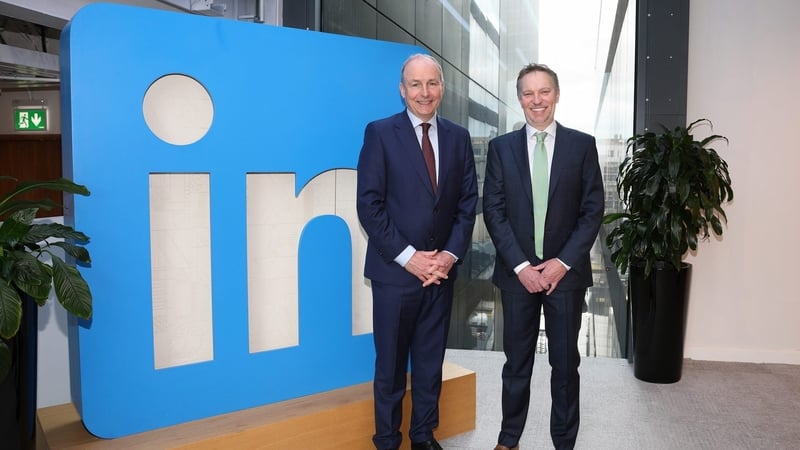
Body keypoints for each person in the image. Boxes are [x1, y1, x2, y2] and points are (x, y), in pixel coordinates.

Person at [356, 53, 478, 450]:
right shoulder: (380, 133)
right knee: (390, 368)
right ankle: (387, 440)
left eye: (432, 83)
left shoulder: (458, 137)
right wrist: (411, 257)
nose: (424, 92)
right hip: (396, 275)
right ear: (402, 89)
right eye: (415, 84)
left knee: (429, 365)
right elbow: (369, 206)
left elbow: (466, 204)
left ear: (442, 87)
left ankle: (423, 436)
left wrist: (448, 256)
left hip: (440, 274)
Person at [483, 63, 604, 450]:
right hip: (517, 276)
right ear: (519, 98)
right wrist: (522, 266)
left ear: (556, 94)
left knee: (565, 366)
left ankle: (564, 442)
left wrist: (561, 262)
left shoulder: (582, 145)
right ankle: (509, 439)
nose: (537, 101)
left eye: (544, 92)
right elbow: (494, 212)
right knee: (516, 364)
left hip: (565, 276)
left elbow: (592, 211)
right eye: (528, 93)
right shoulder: (500, 148)